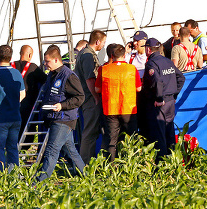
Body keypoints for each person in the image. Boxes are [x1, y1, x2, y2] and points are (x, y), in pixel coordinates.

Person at [35, 45, 86, 182]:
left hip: (64, 119)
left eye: (47, 62)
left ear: (56, 60)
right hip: (54, 117)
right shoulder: (52, 74)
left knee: (51, 151)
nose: (45, 65)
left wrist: (62, 106)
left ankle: (38, 183)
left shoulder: (69, 76)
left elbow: (80, 97)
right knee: (70, 151)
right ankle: (87, 177)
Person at [0, 45, 26, 176]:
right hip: (15, 117)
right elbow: (23, 94)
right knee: (13, 148)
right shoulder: (17, 73)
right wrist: (13, 103)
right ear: (11, 57)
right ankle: (15, 178)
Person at [95, 43, 141, 162]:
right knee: (131, 138)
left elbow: (97, 89)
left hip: (110, 108)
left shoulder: (104, 69)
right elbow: (138, 88)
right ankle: (131, 163)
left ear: (111, 55)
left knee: (112, 140)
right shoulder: (131, 68)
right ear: (124, 55)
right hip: (128, 108)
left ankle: (112, 166)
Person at [143, 38, 185, 160]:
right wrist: (174, 95)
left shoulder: (151, 64)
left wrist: (159, 98)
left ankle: (162, 164)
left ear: (148, 49)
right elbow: (181, 78)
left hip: (159, 103)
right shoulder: (167, 61)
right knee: (169, 131)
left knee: (159, 134)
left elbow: (157, 82)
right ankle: (173, 160)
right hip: (170, 102)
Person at [76, 29, 107, 164]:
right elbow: (90, 79)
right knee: (89, 132)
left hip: (86, 96)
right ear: (97, 41)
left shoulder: (85, 52)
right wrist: (96, 97)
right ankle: (85, 164)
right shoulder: (88, 55)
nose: (103, 45)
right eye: (103, 42)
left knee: (92, 131)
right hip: (89, 98)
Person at [15, 45, 46, 131]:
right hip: (28, 106)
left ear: (20, 53)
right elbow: (46, 80)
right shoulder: (33, 67)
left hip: (12, 106)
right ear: (30, 55)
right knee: (27, 131)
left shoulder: (11, 66)